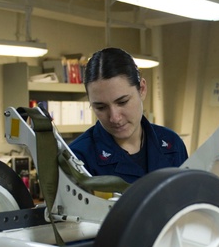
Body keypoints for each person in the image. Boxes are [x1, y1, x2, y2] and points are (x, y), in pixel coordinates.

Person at [69, 47, 187, 183]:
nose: (114, 117)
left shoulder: (172, 144)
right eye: (100, 107)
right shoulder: (78, 158)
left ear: (142, 89)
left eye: (123, 102)